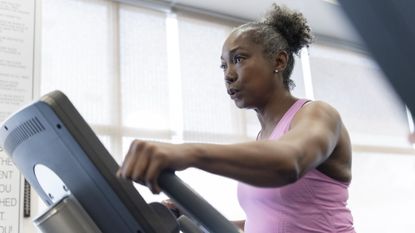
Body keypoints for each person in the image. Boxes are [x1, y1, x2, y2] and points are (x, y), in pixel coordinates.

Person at [118, 4, 355, 233]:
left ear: (279, 61)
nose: (229, 75)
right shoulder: (264, 140)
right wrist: (193, 215)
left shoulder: (318, 114)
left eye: (239, 59)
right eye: (223, 66)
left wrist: (187, 152)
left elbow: (289, 162)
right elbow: (264, 223)